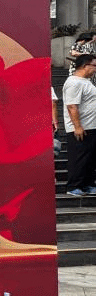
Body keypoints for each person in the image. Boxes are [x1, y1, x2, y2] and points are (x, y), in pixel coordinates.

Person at [62, 54, 96, 196]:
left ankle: (87, 184)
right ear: (84, 66)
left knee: (90, 158)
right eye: (94, 66)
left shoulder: (86, 82)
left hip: (91, 126)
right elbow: (72, 106)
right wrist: (77, 126)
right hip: (81, 128)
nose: (95, 69)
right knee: (79, 158)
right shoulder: (74, 82)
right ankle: (74, 186)